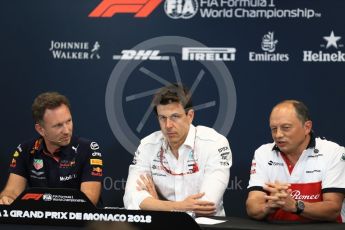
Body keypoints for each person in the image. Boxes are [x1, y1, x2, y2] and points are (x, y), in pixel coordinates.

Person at [123, 83, 232, 216]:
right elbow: (131, 198)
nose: (168, 125)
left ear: (190, 116)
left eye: (175, 117)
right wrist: (178, 206)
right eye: (162, 118)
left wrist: (157, 205)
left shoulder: (215, 144)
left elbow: (206, 205)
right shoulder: (147, 146)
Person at [246, 100, 345, 222]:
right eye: (273, 129)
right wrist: (268, 207)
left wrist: (295, 205)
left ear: (307, 127)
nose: (278, 135)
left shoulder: (333, 152)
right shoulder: (263, 153)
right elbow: (252, 206)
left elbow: (333, 209)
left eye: (286, 128)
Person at [0, 92, 103, 206]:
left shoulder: (88, 149)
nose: (66, 131)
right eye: (58, 125)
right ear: (40, 129)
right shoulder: (25, 150)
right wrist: (7, 199)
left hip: (80, 222)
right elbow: (12, 191)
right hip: (39, 222)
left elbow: (88, 200)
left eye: (68, 121)